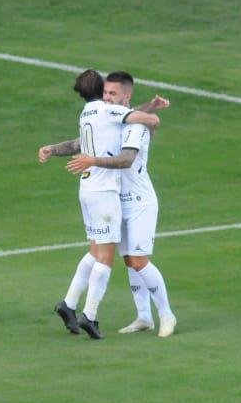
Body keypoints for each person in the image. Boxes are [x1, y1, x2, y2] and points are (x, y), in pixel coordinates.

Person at [38, 69, 160, 339]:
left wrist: (52, 149)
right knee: (105, 257)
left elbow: (112, 121)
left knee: (95, 250)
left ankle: (68, 304)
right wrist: (152, 116)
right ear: (101, 90)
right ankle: (90, 316)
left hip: (87, 189)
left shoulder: (88, 114)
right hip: (105, 192)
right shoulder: (108, 111)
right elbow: (136, 117)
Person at [67, 71, 176, 338]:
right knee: (128, 261)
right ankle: (143, 317)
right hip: (117, 200)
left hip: (140, 202)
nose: (106, 98)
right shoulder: (114, 120)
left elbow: (126, 160)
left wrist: (92, 161)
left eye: (112, 94)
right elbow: (119, 116)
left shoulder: (137, 128)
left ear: (125, 96)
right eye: (105, 93)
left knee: (139, 261)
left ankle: (166, 314)